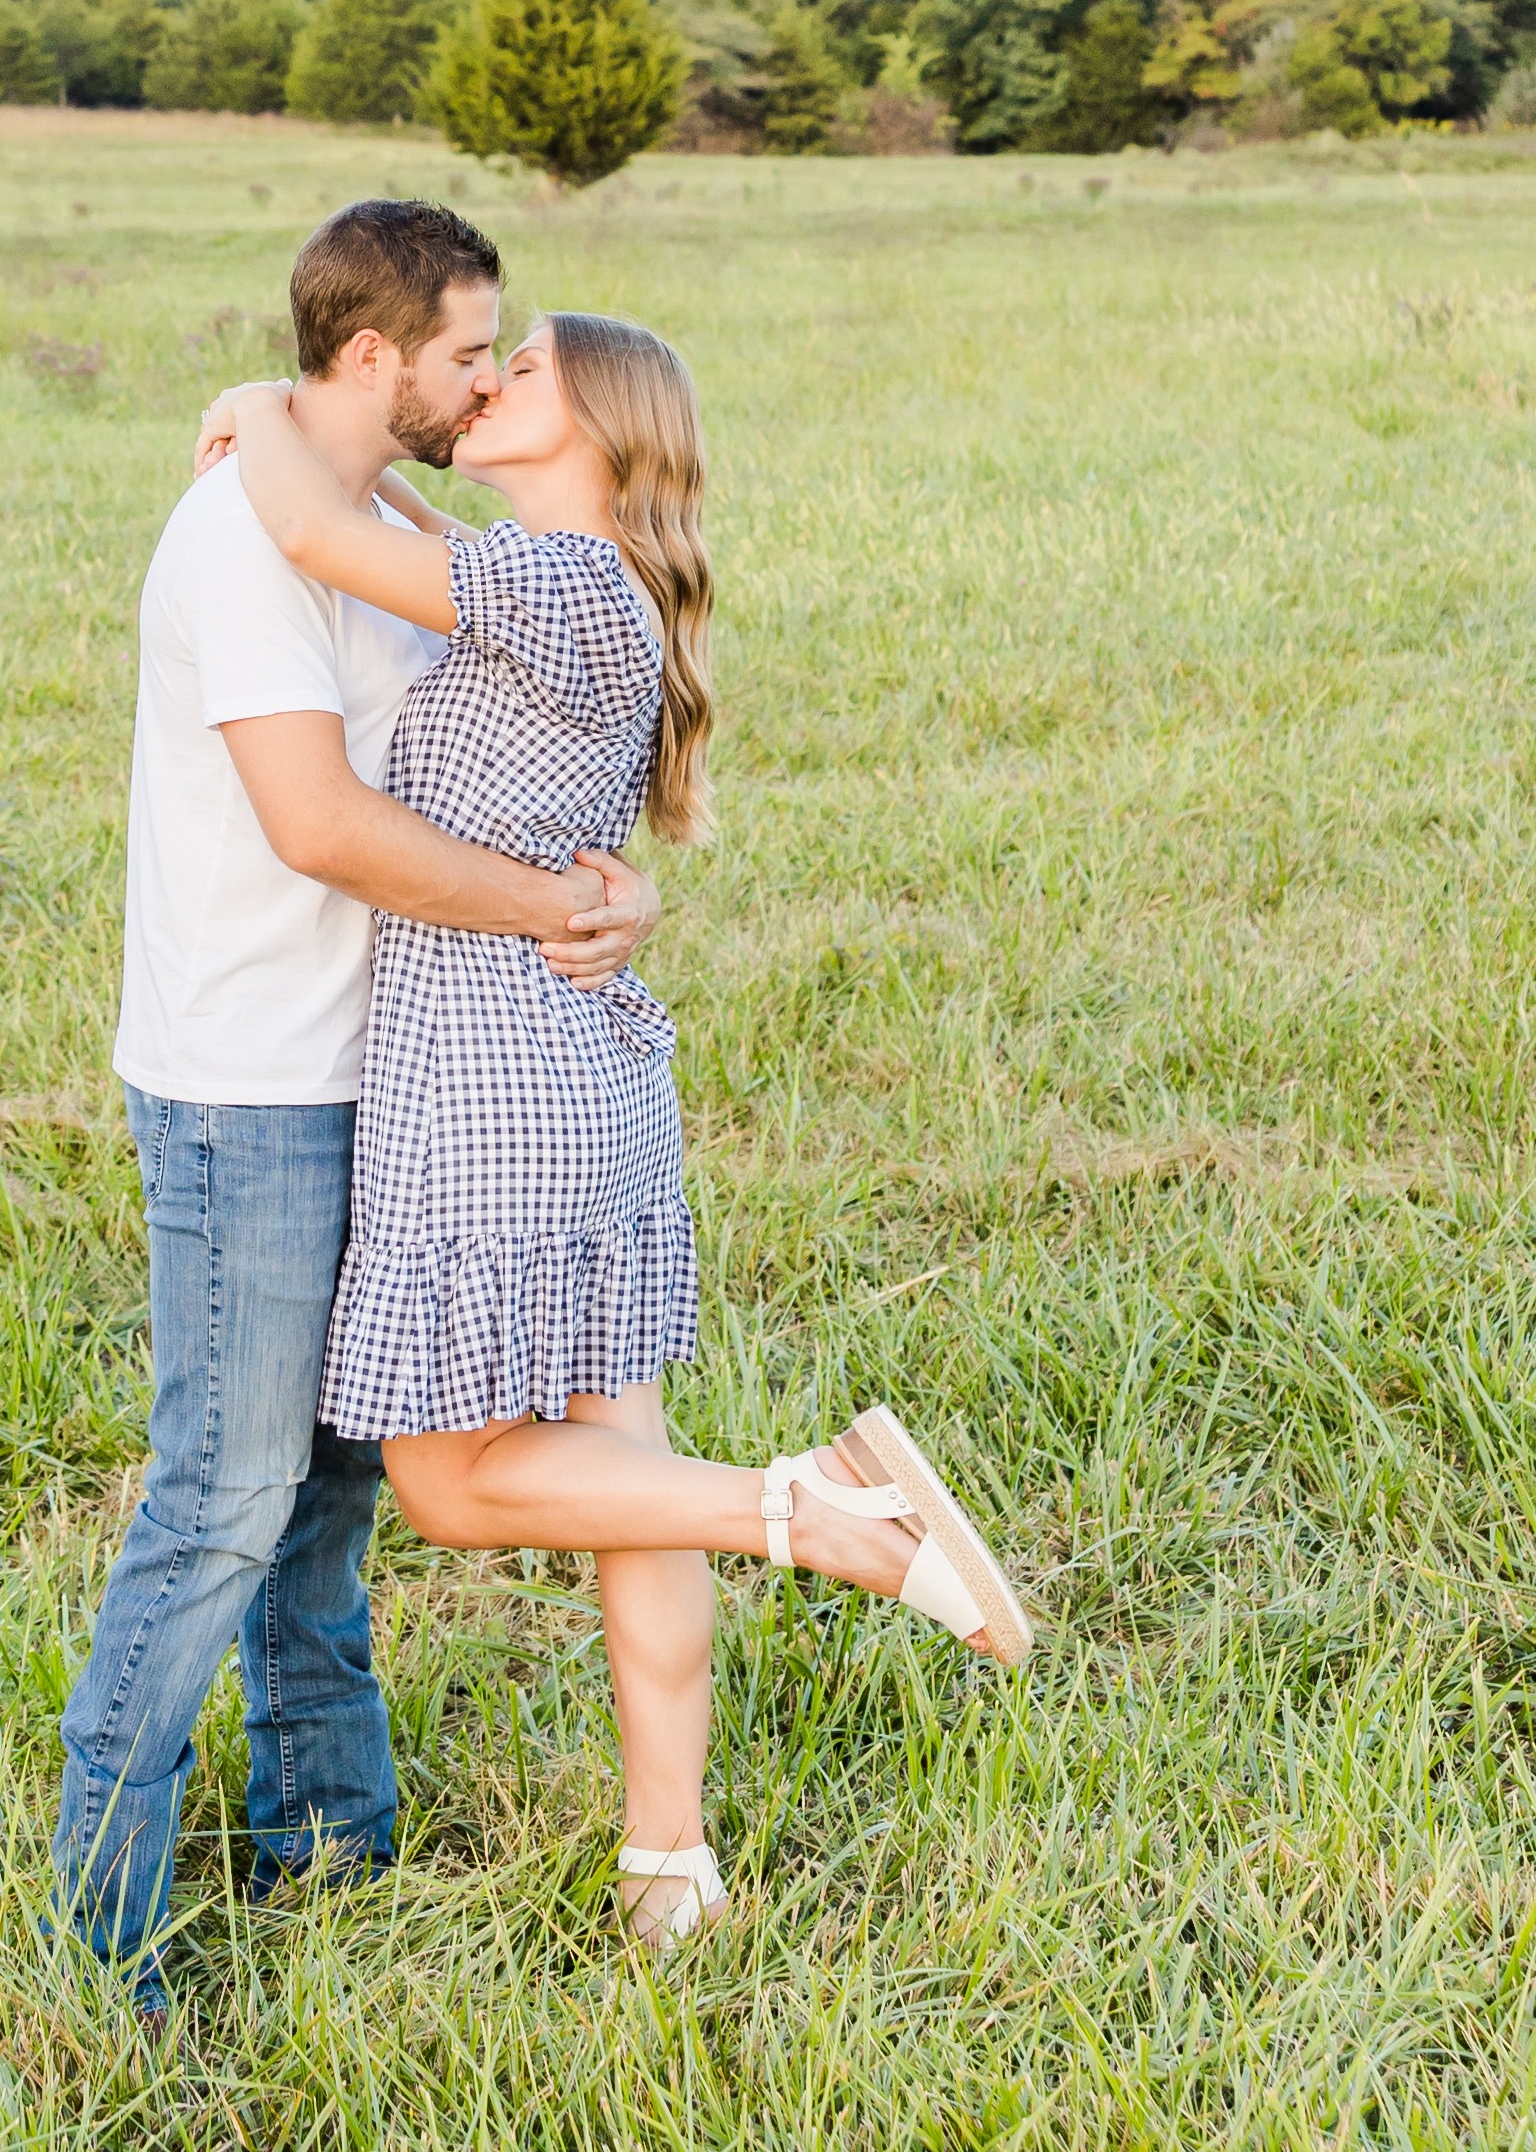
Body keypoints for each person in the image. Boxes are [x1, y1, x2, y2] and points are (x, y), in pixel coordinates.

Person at [207, 306, 1031, 1953]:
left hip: (496, 1081)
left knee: (453, 1486)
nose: (486, 378)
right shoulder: (580, 581)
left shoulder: (571, 586)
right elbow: (412, 522)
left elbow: (304, 516)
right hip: (573, 1069)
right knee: (623, 1468)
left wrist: (254, 393)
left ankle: (810, 1509)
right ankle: (671, 1864)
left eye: (521, 368)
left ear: (597, 422)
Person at [51, 198, 663, 2010]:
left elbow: (519, 714)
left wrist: (611, 884)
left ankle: (328, 1823)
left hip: (380, 1073)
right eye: (472, 348)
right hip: (251, 1084)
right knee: (225, 1500)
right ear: (377, 356)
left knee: (327, 1494)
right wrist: (557, 901)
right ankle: (102, 1933)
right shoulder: (236, 543)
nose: (491, 375)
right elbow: (320, 825)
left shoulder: (387, 507)